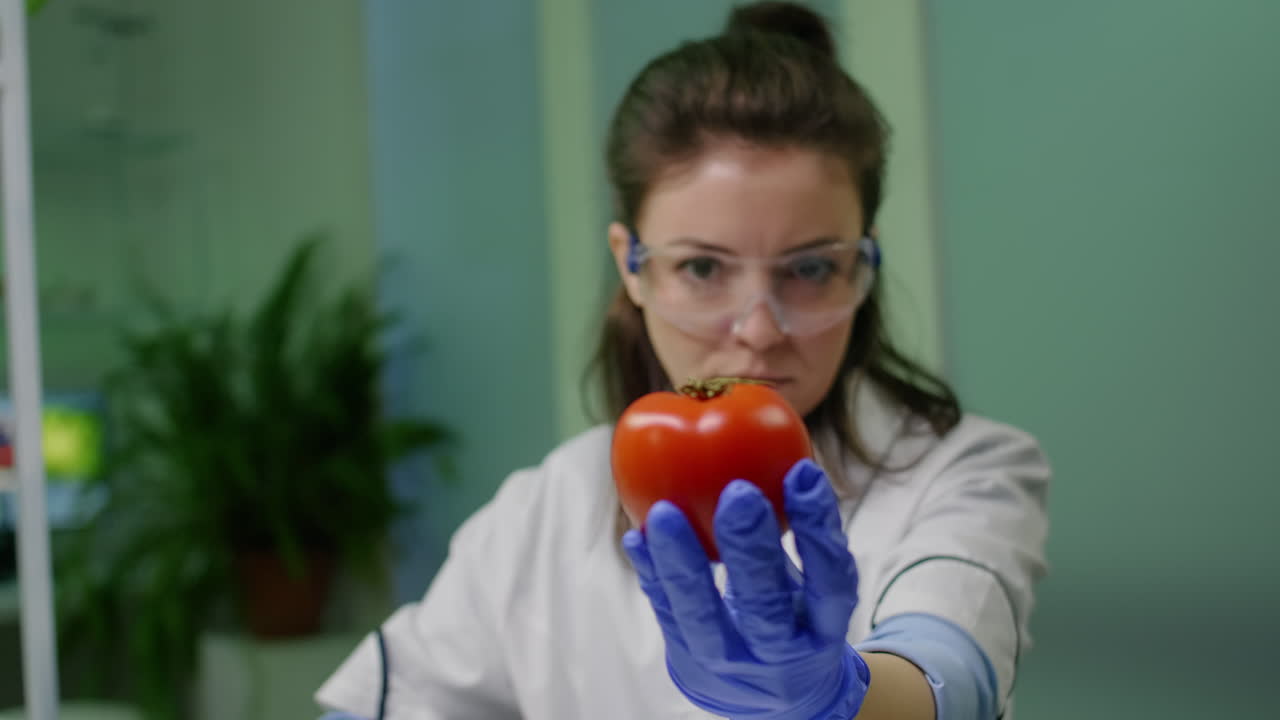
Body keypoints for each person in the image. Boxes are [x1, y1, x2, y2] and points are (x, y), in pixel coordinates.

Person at [316, 3, 1049, 718]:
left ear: (865, 265)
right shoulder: (547, 508)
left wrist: (840, 702)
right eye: (702, 268)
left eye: (812, 268)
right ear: (630, 266)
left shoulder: (967, 470)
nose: (759, 330)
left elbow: (950, 676)